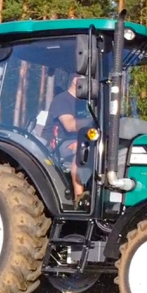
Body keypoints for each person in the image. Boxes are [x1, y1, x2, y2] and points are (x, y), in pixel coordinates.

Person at [46, 75, 96, 203]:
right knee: (82, 147)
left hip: (81, 139)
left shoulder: (85, 103)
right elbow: (70, 125)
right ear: (74, 80)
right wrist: (95, 121)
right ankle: (79, 198)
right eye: (84, 76)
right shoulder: (62, 100)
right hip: (58, 144)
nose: (88, 80)